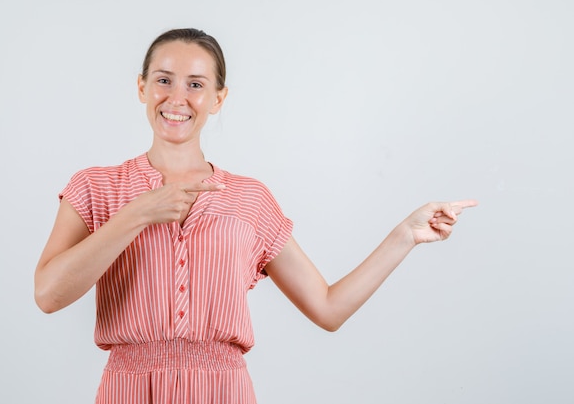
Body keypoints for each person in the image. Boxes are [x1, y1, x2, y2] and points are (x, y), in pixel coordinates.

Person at [34, 28, 478, 404]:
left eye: (195, 84)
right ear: (141, 87)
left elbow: (327, 308)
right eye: (164, 79)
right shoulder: (97, 187)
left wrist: (405, 234)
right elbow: (48, 295)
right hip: (129, 389)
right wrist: (135, 215)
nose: (177, 97)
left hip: (224, 390)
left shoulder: (250, 198)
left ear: (218, 98)